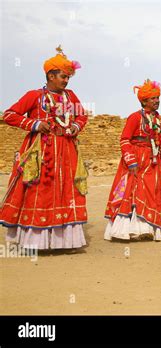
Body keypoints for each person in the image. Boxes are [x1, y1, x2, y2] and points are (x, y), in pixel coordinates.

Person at [0, 45, 88, 250]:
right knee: (38, 190)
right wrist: (35, 124)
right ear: (50, 75)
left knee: (66, 190)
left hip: (66, 150)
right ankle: (34, 240)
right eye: (63, 76)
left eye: (68, 77)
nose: (66, 81)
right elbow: (10, 115)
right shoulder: (33, 96)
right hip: (41, 151)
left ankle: (63, 241)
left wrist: (75, 126)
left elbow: (82, 116)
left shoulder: (71, 96)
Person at [104, 79, 161, 241]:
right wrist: (130, 159)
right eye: (153, 98)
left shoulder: (159, 119)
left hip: (153, 161)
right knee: (135, 190)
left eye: (158, 98)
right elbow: (125, 139)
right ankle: (133, 228)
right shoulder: (134, 118)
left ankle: (151, 227)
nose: (157, 101)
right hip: (137, 160)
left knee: (154, 192)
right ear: (144, 100)